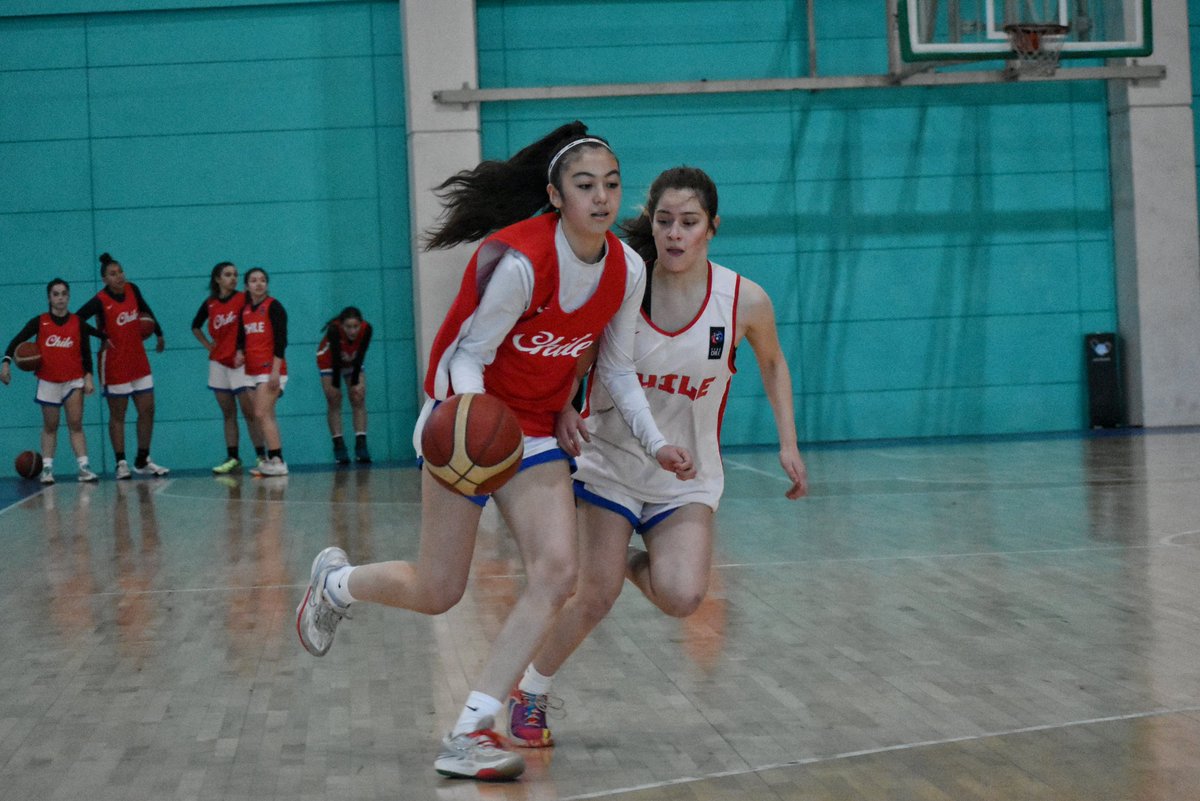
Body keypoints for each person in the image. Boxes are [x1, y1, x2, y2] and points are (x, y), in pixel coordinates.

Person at [295, 121, 693, 781]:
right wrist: (476, 426)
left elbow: (616, 369)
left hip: (534, 428)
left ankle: (469, 730)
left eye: (612, 185)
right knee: (437, 589)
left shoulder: (626, 268)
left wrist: (656, 442)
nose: (601, 197)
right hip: (464, 412)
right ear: (555, 194)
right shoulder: (519, 262)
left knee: (556, 571)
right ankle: (335, 584)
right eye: (585, 185)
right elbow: (469, 356)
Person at [508, 166, 809, 748]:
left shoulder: (743, 300)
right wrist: (566, 407)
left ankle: (619, 554)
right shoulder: (623, 285)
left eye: (689, 223)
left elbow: (773, 362)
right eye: (664, 221)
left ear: (712, 229)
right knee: (594, 597)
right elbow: (577, 358)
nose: (674, 234)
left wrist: (788, 442)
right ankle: (531, 689)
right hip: (610, 464)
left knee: (682, 597)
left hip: (688, 476)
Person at [1, 278, 104, 484]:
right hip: (48, 381)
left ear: (68, 297)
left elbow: (85, 352)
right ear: (49, 297)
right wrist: (6, 363)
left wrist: (89, 377)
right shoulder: (39, 322)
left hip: (73, 380)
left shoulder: (77, 322)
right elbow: (16, 341)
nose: (60, 298)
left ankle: (84, 467)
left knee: (76, 424)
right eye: (56, 294)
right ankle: (47, 469)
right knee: (51, 426)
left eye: (64, 294)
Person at [76, 252, 169, 479]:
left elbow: (146, 310)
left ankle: (143, 458)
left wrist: (158, 333)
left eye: (120, 272)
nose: (118, 276)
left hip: (138, 359)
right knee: (119, 414)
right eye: (113, 274)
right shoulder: (100, 300)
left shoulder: (132, 289)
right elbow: (76, 320)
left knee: (148, 409)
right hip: (114, 362)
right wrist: (100, 335)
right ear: (105, 279)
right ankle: (121, 463)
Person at [191, 261, 265, 474]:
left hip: (240, 362)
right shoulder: (211, 303)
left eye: (235, 274)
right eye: (227, 274)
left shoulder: (244, 299)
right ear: (217, 279)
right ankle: (233, 457)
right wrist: (208, 345)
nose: (232, 278)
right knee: (228, 413)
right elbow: (195, 325)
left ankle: (261, 456)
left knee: (249, 412)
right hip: (218, 363)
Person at [235, 267, 289, 477]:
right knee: (265, 415)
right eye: (254, 280)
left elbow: (281, 340)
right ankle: (270, 458)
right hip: (252, 369)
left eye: (263, 280)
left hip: (271, 369)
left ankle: (278, 460)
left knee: (261, 412)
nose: (259, 284)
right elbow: (242, 336)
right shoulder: (246, 310)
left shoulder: (274, 307)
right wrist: (240, 352)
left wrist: (276, 371)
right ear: (247, 285)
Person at [316, 306, 373, 465]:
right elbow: (334, 358)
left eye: (355, 326)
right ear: (341, 325)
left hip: (352, 359)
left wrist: (355, 382)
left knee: (358, 396)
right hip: (329, 359)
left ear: (361, 324)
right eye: (348, 327)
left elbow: (361, 354)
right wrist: (334, 385)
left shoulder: (367, 330)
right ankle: (339, 445)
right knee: (334, 399)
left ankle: (361, 444)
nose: (352, 331)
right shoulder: (334, 330)